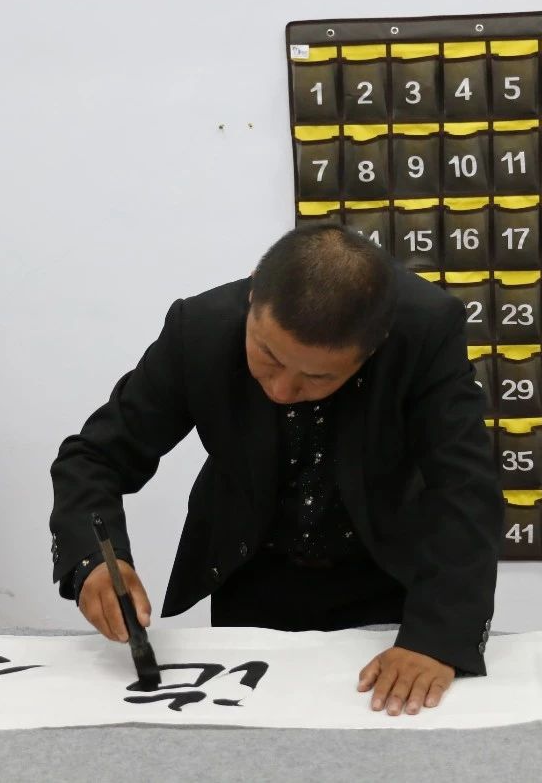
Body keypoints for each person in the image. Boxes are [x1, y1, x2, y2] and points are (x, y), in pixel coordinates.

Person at [49, 224, 501, 715]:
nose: (282, 390)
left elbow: (464, 487)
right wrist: (94, 560)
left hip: (385, 576)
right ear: (252, 295)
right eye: (267, 355)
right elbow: (95, 457)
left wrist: (436, 640)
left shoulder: (425, 329)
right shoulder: (198, 328)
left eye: (317, 376)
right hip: (251, 573)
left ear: (372, 349)